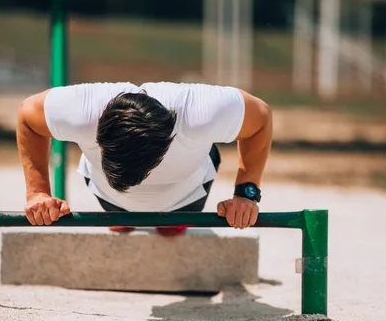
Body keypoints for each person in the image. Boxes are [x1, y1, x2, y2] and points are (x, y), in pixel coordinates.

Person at [16, 81, 272, 235]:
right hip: (110, 200)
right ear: (101, 142)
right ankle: (123, 217)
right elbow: (27, 117)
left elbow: (261, 119)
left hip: (187, 199)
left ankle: (165, 223)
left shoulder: (199, 113)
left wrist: (245, 194)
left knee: (172, 224)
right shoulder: (82, 111)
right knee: (124, 211)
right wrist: (37, 193)